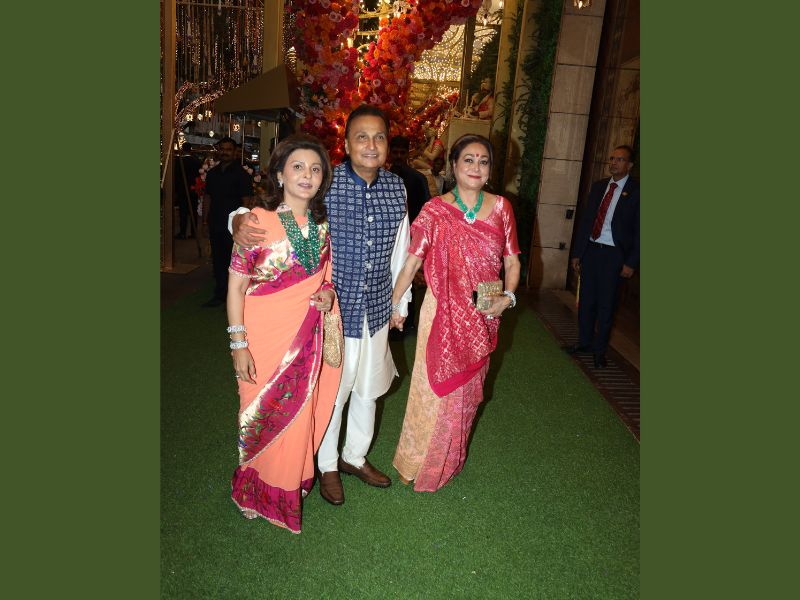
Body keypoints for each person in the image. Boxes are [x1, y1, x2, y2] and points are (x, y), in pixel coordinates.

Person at [230, 105, 412, 506]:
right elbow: (280, 206)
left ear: (388, 145)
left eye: (379, 137)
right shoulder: (327, 182)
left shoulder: (398, 188)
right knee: (333, 391)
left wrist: (401, 301)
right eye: (361, 137)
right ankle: (327, 464)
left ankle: (354, 457)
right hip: (330, 314)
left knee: (370, 387)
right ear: (346, 144)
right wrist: (237, 219)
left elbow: (403, 247)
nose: (371, 145)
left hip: (376, 306)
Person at [390, 134, 521, 492]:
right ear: (453, 165)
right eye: (468, 160)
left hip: (483, 311)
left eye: (483, 161)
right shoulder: (435, 210)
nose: (476, 167)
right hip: (440, 311)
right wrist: (396, 304)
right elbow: (412, 262)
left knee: (470, 392)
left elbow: (512, 261)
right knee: (429, 388)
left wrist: (508, 297)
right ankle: (415, 460)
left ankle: (448, 460)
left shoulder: (501, 208)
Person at [227, 134, 342, 533]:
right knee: (257, 412)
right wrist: (238, 344)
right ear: (279, 175)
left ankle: (287, 484)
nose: (307, 175)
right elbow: (236, 288)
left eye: (315, 169)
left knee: (297, 415)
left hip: (305, 339)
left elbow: (326, 279)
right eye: (297, 167)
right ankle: (251, 490)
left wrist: (328, 295)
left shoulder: (322, 227)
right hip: (262, 339)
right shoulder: (257, 221)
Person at [565, 145, 640, 369]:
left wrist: (631, 262)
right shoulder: (599, 187)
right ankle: (584, 343)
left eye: (620, 159)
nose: (614, 163)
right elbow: (586, 221)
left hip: (614, 255)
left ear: (630, 165)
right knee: (586, 302)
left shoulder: (637, 191)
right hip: (591, 250)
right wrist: (578, 253)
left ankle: (599, 351)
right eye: (612, 158)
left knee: (606, 306)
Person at [201, 136, 253, 307]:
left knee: (234, 262)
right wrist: (204, 221)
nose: (225, 152)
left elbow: (247, 201)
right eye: (222, 149)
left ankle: (233, 297)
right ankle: (220, 294)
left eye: (228, 149)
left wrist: (243, 225)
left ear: (235, 152)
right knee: (217, 259)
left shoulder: (242, 175)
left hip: (234, 226)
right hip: (215, 221)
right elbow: (207, 197)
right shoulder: (212, 174)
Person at [174, 143, 202, 239]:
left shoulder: (179, 161)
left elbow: (176, 176)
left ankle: (183, 232)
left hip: (182, 189)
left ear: (182, 149)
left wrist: (176, 189)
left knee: (183, 211)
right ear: (191, 149)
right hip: (194, 189)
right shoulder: (196, 161)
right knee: (193, 211)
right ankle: (193, 232)